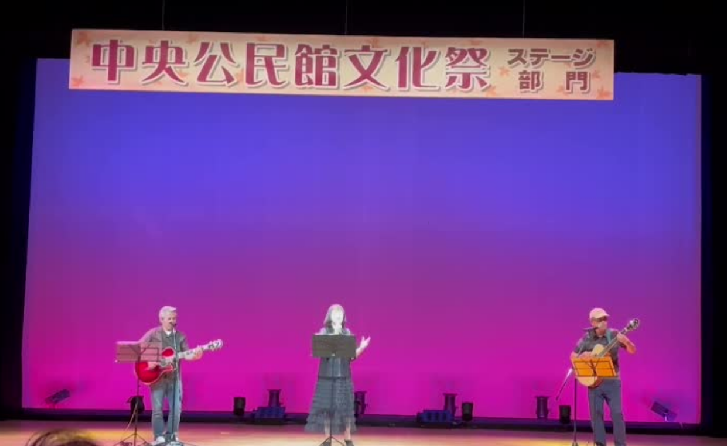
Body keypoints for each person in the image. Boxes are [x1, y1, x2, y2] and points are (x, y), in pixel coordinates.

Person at [305, 304, 371, 446]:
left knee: (345, 409)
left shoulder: (347, 333)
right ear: (330, 316)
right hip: (326, 377)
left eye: (341, 314)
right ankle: (327, 439)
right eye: (336, 313)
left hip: (343, 377)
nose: (338, 316)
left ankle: (348, 439)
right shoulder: (323, 332)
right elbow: (318, 352)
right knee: (326, 408)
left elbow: (351, 357)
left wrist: (362, 347)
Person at [571, 307, 637, 446]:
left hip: (613, 382)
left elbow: (632, 350)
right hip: (594, 383)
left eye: (605, 318)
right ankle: (600, 444)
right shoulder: (586, 338)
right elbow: (573, 356)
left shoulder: (614, 334)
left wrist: (627, 342)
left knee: (617, 414)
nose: (604, 322)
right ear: (592, 322)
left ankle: (620, 444)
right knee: (596, 415)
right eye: (600, 319)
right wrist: (584, 355)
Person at [139, 306, 203, 445]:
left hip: (175, 378)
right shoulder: (153, 334)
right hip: (157, 378)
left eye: (174, 318)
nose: (172, 321)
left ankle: (172, 435)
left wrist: (196, 355)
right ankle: (158, 436)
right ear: (161, 319)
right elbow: (138, 348)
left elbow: (187, 354)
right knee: (157, 409)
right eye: (169, 318)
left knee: (176, 409)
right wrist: (150, 360)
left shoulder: (180, 336)